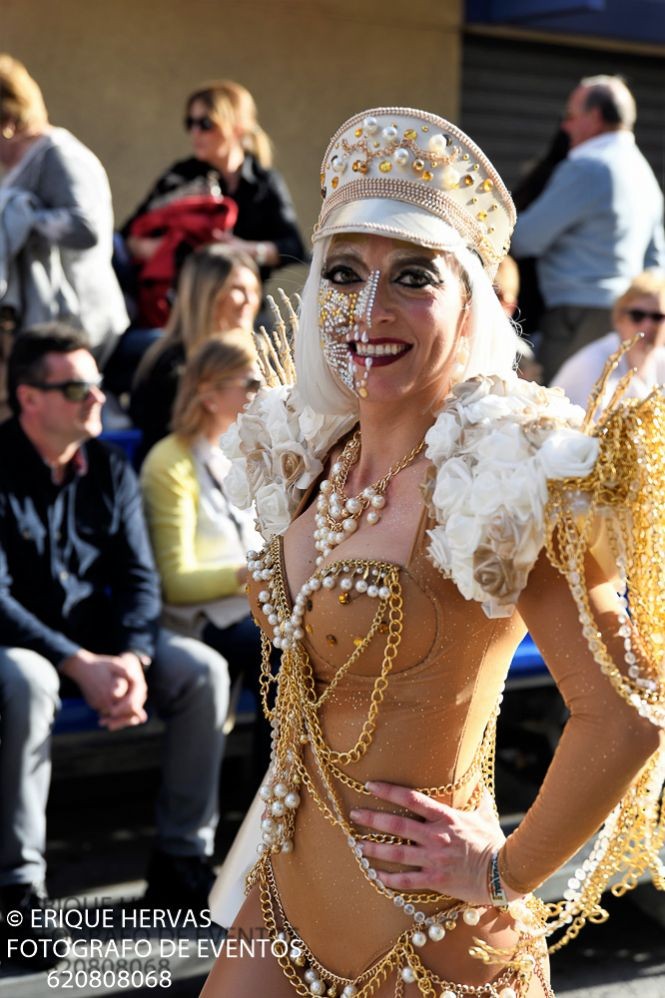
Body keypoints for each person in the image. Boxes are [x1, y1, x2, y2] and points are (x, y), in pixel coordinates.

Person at [200, 107, 665, 998]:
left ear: (474, 298)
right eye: (344, 273)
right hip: (277, 910)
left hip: (427, 947)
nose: (368, 309)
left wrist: (505, 871)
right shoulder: (311, 454)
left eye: (412, 276)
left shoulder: (505, 471)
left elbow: (628, 712)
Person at [0, 324, 230, 970]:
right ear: (29, 399)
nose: (97, 398)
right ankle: (18, 891)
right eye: (76, 388)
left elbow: (138, 578)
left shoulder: (106, 464)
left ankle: (182, 860)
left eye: (98, 384)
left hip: (104, 649)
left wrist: (132, 659)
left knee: (202, 671)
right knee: (28, 680)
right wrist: (78, 663)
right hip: (24, 649)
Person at [140, 335, 270, 781]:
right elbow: (175, 582)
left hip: (247, 608)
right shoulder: (169, 462)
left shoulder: (244, 453)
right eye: (251, 383)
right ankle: (270, 806)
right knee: (280, 650)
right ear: (209, 394)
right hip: (196, 620)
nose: (262, 392)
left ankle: (286, 803)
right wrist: (253, 573)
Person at [510, 75, 665, 384]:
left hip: (576, 319)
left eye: (569, 116)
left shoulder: (587, 166)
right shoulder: (644, 173)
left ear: (593, 117)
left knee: (561, 418)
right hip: (626, 319)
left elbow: (525, 239)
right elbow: (655, 263)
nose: (565, 127)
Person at [122, 78, 306, 325]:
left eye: (206, 124)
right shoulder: (180, 176)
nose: (195, 133)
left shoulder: (264, 182)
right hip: (181, 310)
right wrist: (166, 249)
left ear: (237, 128)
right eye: (190, 123)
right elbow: (128, 237)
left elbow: (294, 247)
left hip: (242, 308)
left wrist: (243, 249)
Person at [0, 54, 128, 398]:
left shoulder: (58, 155)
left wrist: (26, 218)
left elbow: (87, 227)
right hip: (46, 325)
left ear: (8, 119)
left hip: (78, 324)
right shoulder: (25, 162)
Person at [130, 243, 260, 459]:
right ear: (205, 295)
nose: (249, 301)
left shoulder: (262, 359)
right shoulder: (169, 367)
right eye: (237, 289)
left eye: (254, 291)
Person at [551, 269, 665, 409]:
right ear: (618, 319)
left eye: (658, 317)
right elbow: (582, 429)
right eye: (637, 315)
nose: (647, 325)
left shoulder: (661, 361)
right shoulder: (592, 364)